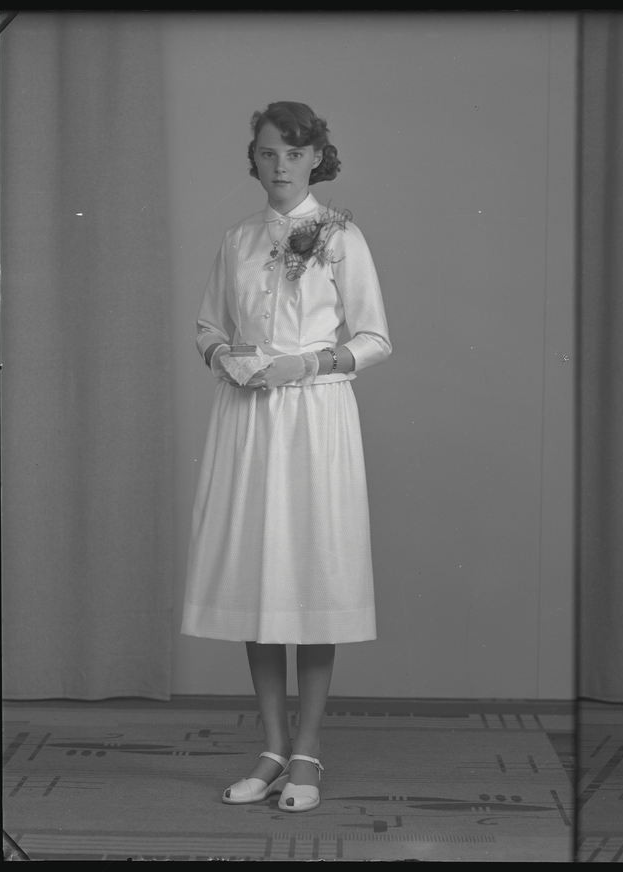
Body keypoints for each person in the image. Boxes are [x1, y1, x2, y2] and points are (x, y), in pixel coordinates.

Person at [181, 101, 391, 813]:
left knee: (309, 582)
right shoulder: (237, 239)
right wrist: (226, 357)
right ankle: (271, 749)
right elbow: (207, 325)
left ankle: (307, 750)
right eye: (268, 153)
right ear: (255, 157)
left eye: (294, 155)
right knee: (259, 582)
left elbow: (375, 338)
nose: (280, 167)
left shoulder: (340, 237)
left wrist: (307, 364)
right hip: (248, 420)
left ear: (316, 159)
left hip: (314, 419)